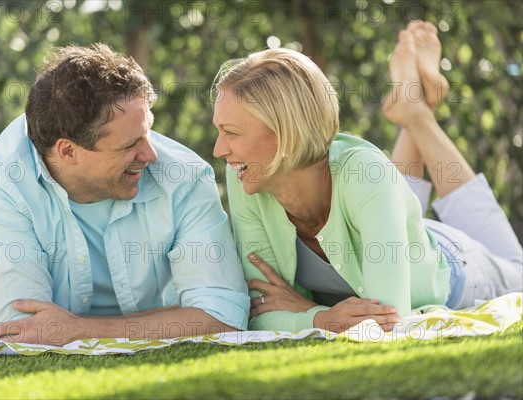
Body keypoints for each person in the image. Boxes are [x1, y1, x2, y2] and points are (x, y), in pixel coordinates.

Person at [211, 21, 522, 333]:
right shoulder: (247, 176)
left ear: (285, 133)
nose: (218, 150)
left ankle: (416, 113)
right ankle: (414, 104)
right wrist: (321, 318)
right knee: (379, 185)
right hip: (396, 230)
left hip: (455, 265)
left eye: (231, 133)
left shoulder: (363, 174)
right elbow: (260, 308)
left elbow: (387, 319)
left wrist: (307, 311)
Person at [0, 44, 249, 346]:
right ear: (68, 151)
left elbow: (223, 317)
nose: (150, 154)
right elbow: (23, 333)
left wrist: (81, 329)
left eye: (148, 132)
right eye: (129, 146)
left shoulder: (184, 178)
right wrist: (174, 317)